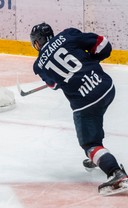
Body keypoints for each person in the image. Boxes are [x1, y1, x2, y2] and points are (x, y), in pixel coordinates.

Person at [30, 22, 128, 195]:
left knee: (90, 144)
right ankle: (101, 157)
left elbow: (53, 85)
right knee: (96, 116)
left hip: (85, 102)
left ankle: (115, 173)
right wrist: (90, 59)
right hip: (106, 88)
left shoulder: (38, 65)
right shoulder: (68, 35)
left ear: (38, 41)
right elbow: (103, 44)